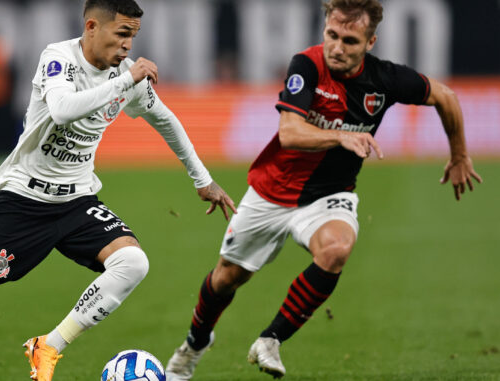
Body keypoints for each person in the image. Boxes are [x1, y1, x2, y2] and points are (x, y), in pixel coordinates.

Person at [0, 1, 236, 380]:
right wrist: (127, 81)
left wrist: (202, 179)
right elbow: (64, 109)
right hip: (24, 200)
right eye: (122, 34)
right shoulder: (59, 59)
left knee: (132, 263)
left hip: (76, 202)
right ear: (92, 27)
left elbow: (165, 120)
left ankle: (48, 345)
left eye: (133, 36)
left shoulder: (123, 75)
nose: (128, 46)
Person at [165, 0, 483, 379]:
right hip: (271, 192)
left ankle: (270, 340)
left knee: (336, 249)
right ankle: (194, 345)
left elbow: (445, 96)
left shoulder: (384, 79)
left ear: (370, 41)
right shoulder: (307, 65)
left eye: (350, 40)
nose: (337, 47)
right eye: (332, 35)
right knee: (225, 279)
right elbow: (289, 132)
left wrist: (460, 154)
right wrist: (341, 137)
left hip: (329, 196)